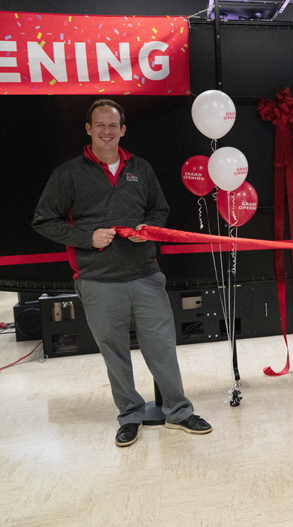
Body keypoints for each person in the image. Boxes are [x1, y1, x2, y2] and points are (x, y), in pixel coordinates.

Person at [32, 99, 212, 448]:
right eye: (99, 125)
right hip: (97, 281)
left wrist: (150, 228)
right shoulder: (67, 174)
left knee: (162, 347)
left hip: (145, 275)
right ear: (88, 129)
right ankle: (130, 415)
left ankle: (178, 410)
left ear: (123, 130)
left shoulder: (140, 169)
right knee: (114, 352)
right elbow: (43, 220)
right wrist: (87, 238)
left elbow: (160, 208)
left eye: (113, 125)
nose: (106, 131)